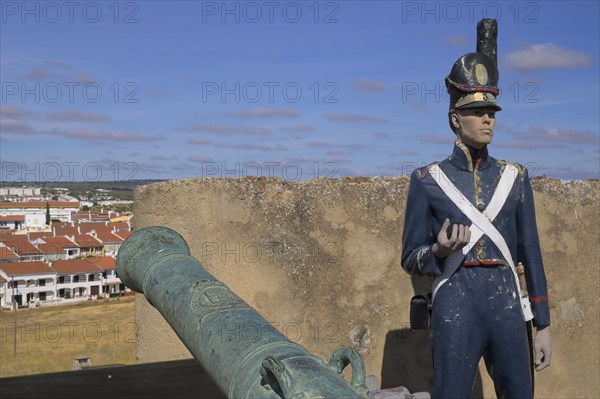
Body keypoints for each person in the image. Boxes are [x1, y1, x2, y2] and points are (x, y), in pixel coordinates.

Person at [401, 20, 552, 398]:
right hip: (456, 300)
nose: (489, 119)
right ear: (456, 118)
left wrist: (544, 323)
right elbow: (409, 256)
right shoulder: (427, 179)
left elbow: (530, 252)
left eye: (492, 111)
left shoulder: (514, 178)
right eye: (479, 111)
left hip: (506, 303)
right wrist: (439, 250)